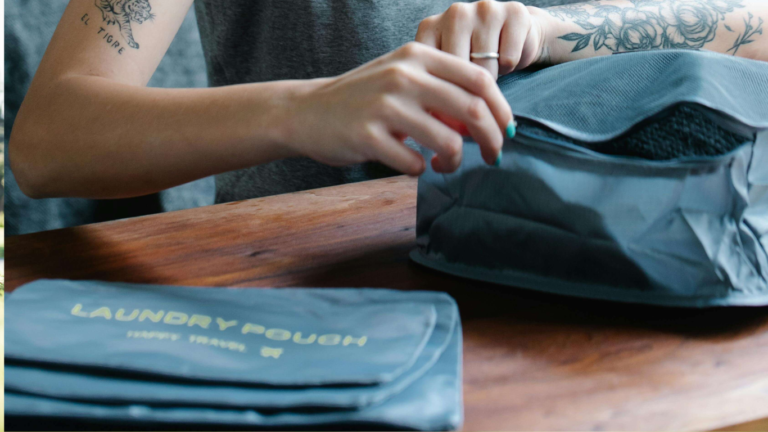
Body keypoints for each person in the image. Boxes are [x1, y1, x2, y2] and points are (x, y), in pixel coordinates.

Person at [9, 0, 767, 202]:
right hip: (317, 316)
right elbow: (48, 143)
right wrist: (305, 111)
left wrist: (551, 30)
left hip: (586, 275)